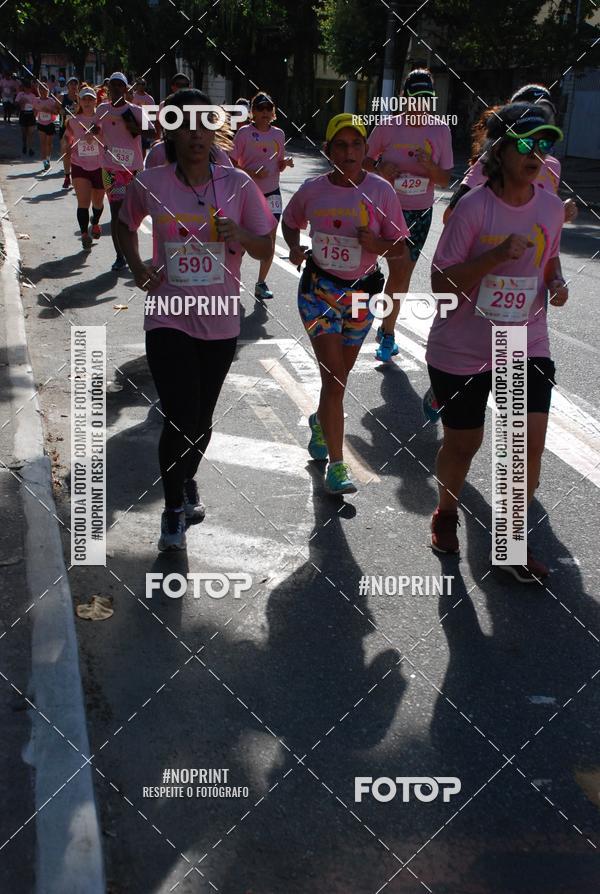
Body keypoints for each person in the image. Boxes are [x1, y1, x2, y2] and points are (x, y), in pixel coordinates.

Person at [117, 88, 276, 551]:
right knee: (179, 414)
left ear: (215, 131)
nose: (196, 135)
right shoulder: (153, 182)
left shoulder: (238, 185)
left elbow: (266, 247)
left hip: (220, 318)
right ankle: (171, 511)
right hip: (169, 315)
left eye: (205, 125)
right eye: (185, 125)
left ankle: (186, 478)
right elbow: (126, 224)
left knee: (202, 419)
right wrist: (136, 266)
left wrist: (241, 233)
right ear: (170, 130)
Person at [426, 103, 567, 582]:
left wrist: (556, 283)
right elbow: (441, 283)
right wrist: (493, 256)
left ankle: (509, 544)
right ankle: (446, 510)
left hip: (524, 340)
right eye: (526, 142)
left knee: (523, 445)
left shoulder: (549, 206)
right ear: (500, 149)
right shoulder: (473, 207)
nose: (536, 153)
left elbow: (548, 263)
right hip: (462, 347)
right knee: (464, 444)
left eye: (544, 144)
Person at [282, 113, 409, 495]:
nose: (349, 152)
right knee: (334, 378)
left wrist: (377, 246)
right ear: (328, 150)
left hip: (362, 293)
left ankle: (322, 421)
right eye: (341, 145)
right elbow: (290, 220)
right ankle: (337, 467)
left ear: (367, 151)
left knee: (338, 379)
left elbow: (401, 250)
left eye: (357, 145)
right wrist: (293, 245)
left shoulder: (382, 192)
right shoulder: (312, 190)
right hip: (318, 289)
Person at [364, 68, 454, 361]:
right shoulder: (387, 127)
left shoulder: (440, 129)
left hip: (418, 211)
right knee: (370, 268)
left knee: (402, 273)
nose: (420, 105)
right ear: (404, 98)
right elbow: (360, 160)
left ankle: (388, 333)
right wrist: (379, 170)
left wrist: (429, 167)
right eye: (415, 98)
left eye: (426, 99)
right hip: (384, 208)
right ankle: (367, 321)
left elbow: (445, 179)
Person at [445, 85, 578, 225]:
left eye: (547, 115)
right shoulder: (491, 162)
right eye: (534, 114)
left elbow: (543, 220)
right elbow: (450, 216)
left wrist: (560, 213)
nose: (541, 121)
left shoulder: (554, 166)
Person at [230, 91, 294, 300]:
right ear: (253, 112)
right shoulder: (244, 133)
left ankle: (261, 283)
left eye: (269, 108)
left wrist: (285, 163)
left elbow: (279, 164)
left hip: (272, 193)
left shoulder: (279, 134)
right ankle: (232, 279)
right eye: (260, 108)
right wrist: (250, 173)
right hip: (247, 192)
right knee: (242, 239)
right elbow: (231, 163)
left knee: (270, 238)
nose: (265, 112)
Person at [92, 71, 146, 271]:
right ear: (108, 88)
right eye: (112, 85)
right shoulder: (102, 109)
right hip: (111, 169)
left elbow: (155, 132)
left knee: (132, 213)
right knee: (116, 213)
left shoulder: (135, 111)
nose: (115, 88)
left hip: (133, 169)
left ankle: (133, 254)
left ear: (125, 89)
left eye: (119, 85)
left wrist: (133, 126)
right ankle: (120, 256)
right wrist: (94, 131)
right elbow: (94, 128)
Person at [64, 86, 105, 249]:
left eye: (90, 99)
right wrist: (66, 145)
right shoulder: (73, 120)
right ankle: (84, 234)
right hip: (79, 165)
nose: (87, 102)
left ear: (96, 101)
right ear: (79, 101)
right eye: (84, 99)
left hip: (101, 166)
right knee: (83, 202)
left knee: (98, 202)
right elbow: (66, 139)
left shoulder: (103, 118)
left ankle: (95, 222)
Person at [59, 77, 79, 187]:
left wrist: (78, 109)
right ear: (67, 86)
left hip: (77, 130)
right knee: (66, 152)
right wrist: (61, 111)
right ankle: (67, 176)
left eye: (75, 84)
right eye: (71, 84)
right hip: (64, 128)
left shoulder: (81, 98)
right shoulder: (62, 97)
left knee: (76, 154)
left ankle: (76, 176)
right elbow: (56, 109)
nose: (73, 86)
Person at [33, 82, 58, 171]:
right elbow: (34, 112)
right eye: (41, 89)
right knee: (43, 143)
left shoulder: (51, 100)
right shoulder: (36, 100)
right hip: (41, 124)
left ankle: (48, 159)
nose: (43, 91)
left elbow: (56, 112)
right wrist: (36, 112)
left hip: (50, 124)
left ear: (48, 90)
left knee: (49, 144)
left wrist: (49, 110)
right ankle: (45, 162)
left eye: (45, 89)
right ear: (38, 90)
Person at [131, 78, 155, 158]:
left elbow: (152, 114)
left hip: (144, 124)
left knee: (143, 146)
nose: (141, 86)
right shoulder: (131, 96)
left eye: (143, 84)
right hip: (133, 124)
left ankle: (142, 165)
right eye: (139, 84)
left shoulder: (149, 99)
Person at [14, 79, 38, 156]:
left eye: (29, 88)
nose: (28, 89)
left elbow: (35, 107)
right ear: (24, 88)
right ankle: (24, 144)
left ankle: (30, 149)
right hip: (23, 114)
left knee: (31, 133)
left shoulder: (33, 96)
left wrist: (35, 114)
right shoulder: (20, 94)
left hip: (31, 115)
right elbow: (16, 103)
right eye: (27, 87)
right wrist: (21, 102)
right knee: (24, 133)